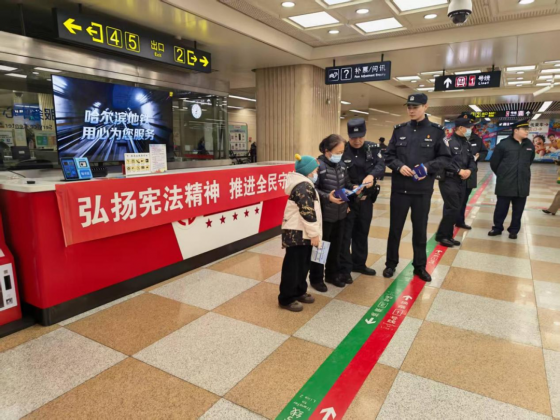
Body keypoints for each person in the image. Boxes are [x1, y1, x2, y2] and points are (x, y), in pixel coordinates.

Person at [383, 93, 451, 282]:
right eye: (409, 107)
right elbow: (389, 155)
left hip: (421, 191)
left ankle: (420, 266)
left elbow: (445, 158)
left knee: (420, 230)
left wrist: (427, 167)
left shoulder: (437, 131)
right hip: (399, 189)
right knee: (395, 229)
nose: (411, 110)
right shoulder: (399, 130)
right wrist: (399, 166)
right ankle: (390, 264)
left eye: (415, 107)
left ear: (425, 107)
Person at [340, 118, 385, 281]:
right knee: (346, 235)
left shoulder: (373, 148)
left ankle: (359, 264)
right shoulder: (342, 150)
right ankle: (344, 268)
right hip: (348, 200)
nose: (357, 140)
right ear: (348, 136)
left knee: (362, 231)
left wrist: (372, 175)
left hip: (366, 199)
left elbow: (381, 165)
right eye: (353, 137)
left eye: (360, 137)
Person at [310, 134, 357, 291]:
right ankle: (316, 278)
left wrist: (354, 188)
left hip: (340, 213)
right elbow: (312, 188)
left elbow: (347, 184)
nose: (340, 155)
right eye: (337, 152)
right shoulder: (318, 166)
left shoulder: (342, 166)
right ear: (327, 151)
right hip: (325, 215)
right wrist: (327, 197)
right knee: (321, 247)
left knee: (336, 246)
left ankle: (332, 274)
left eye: (342, 152)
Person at [278, 154, 322, 312]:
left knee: (303, 264)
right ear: (309, 172)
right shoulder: (303, 186)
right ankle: (286, 298)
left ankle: (299, 291)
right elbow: (307, 212)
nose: (317, 173)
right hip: (296, 233)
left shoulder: (306, 184)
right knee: (293, 266)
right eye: (315, 170)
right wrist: (314, 234)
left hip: (303, 232)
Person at [488, 119, 535, 240]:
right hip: (506, 182)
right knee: (501, 208)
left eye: (527, 129)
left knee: (518, 209)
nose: (527, 131)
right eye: (524, 129)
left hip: (522, 183)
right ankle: (497, 228)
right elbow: (494, 163)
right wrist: (502, 175)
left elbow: (529, 161)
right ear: (516, 130)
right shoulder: (503, 144)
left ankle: (514, 230)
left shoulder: (529, 145)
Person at [435, 118, 477, 247]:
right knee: (452, 207)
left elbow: (472, 160)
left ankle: (448, 235)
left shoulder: (466, 143)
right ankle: (442, 236)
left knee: (456, 208)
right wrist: (458, 170)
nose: (470, 130)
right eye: (469, 128)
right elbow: (444, 161)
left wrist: (469, 170)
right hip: (449, 179)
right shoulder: (448, 142)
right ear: (460, 128)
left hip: (462, 180)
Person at [456, 112, 488, 229]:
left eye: (471, 125)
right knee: (452, 201)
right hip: (454, 175)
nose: (470, 127)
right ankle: (448, 224)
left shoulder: (476, 139)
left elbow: (484, 151)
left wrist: (479, 156)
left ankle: (460, 221)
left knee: (464, 199)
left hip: (470, 175)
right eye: (468, 125)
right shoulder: (451, 140)